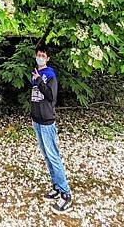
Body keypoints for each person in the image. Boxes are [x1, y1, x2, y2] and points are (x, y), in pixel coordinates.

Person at [31, 43, 72, 212]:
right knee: (47, 156)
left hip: (47, 122)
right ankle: (56, 187)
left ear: (47, 58)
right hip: (36, 120)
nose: (40, 57)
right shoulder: (36, 73)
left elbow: (51, 96)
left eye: (43, 55)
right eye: (38, 54)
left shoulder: (50, 74)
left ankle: (66, 194)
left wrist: (39, 80)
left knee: (53, 156)